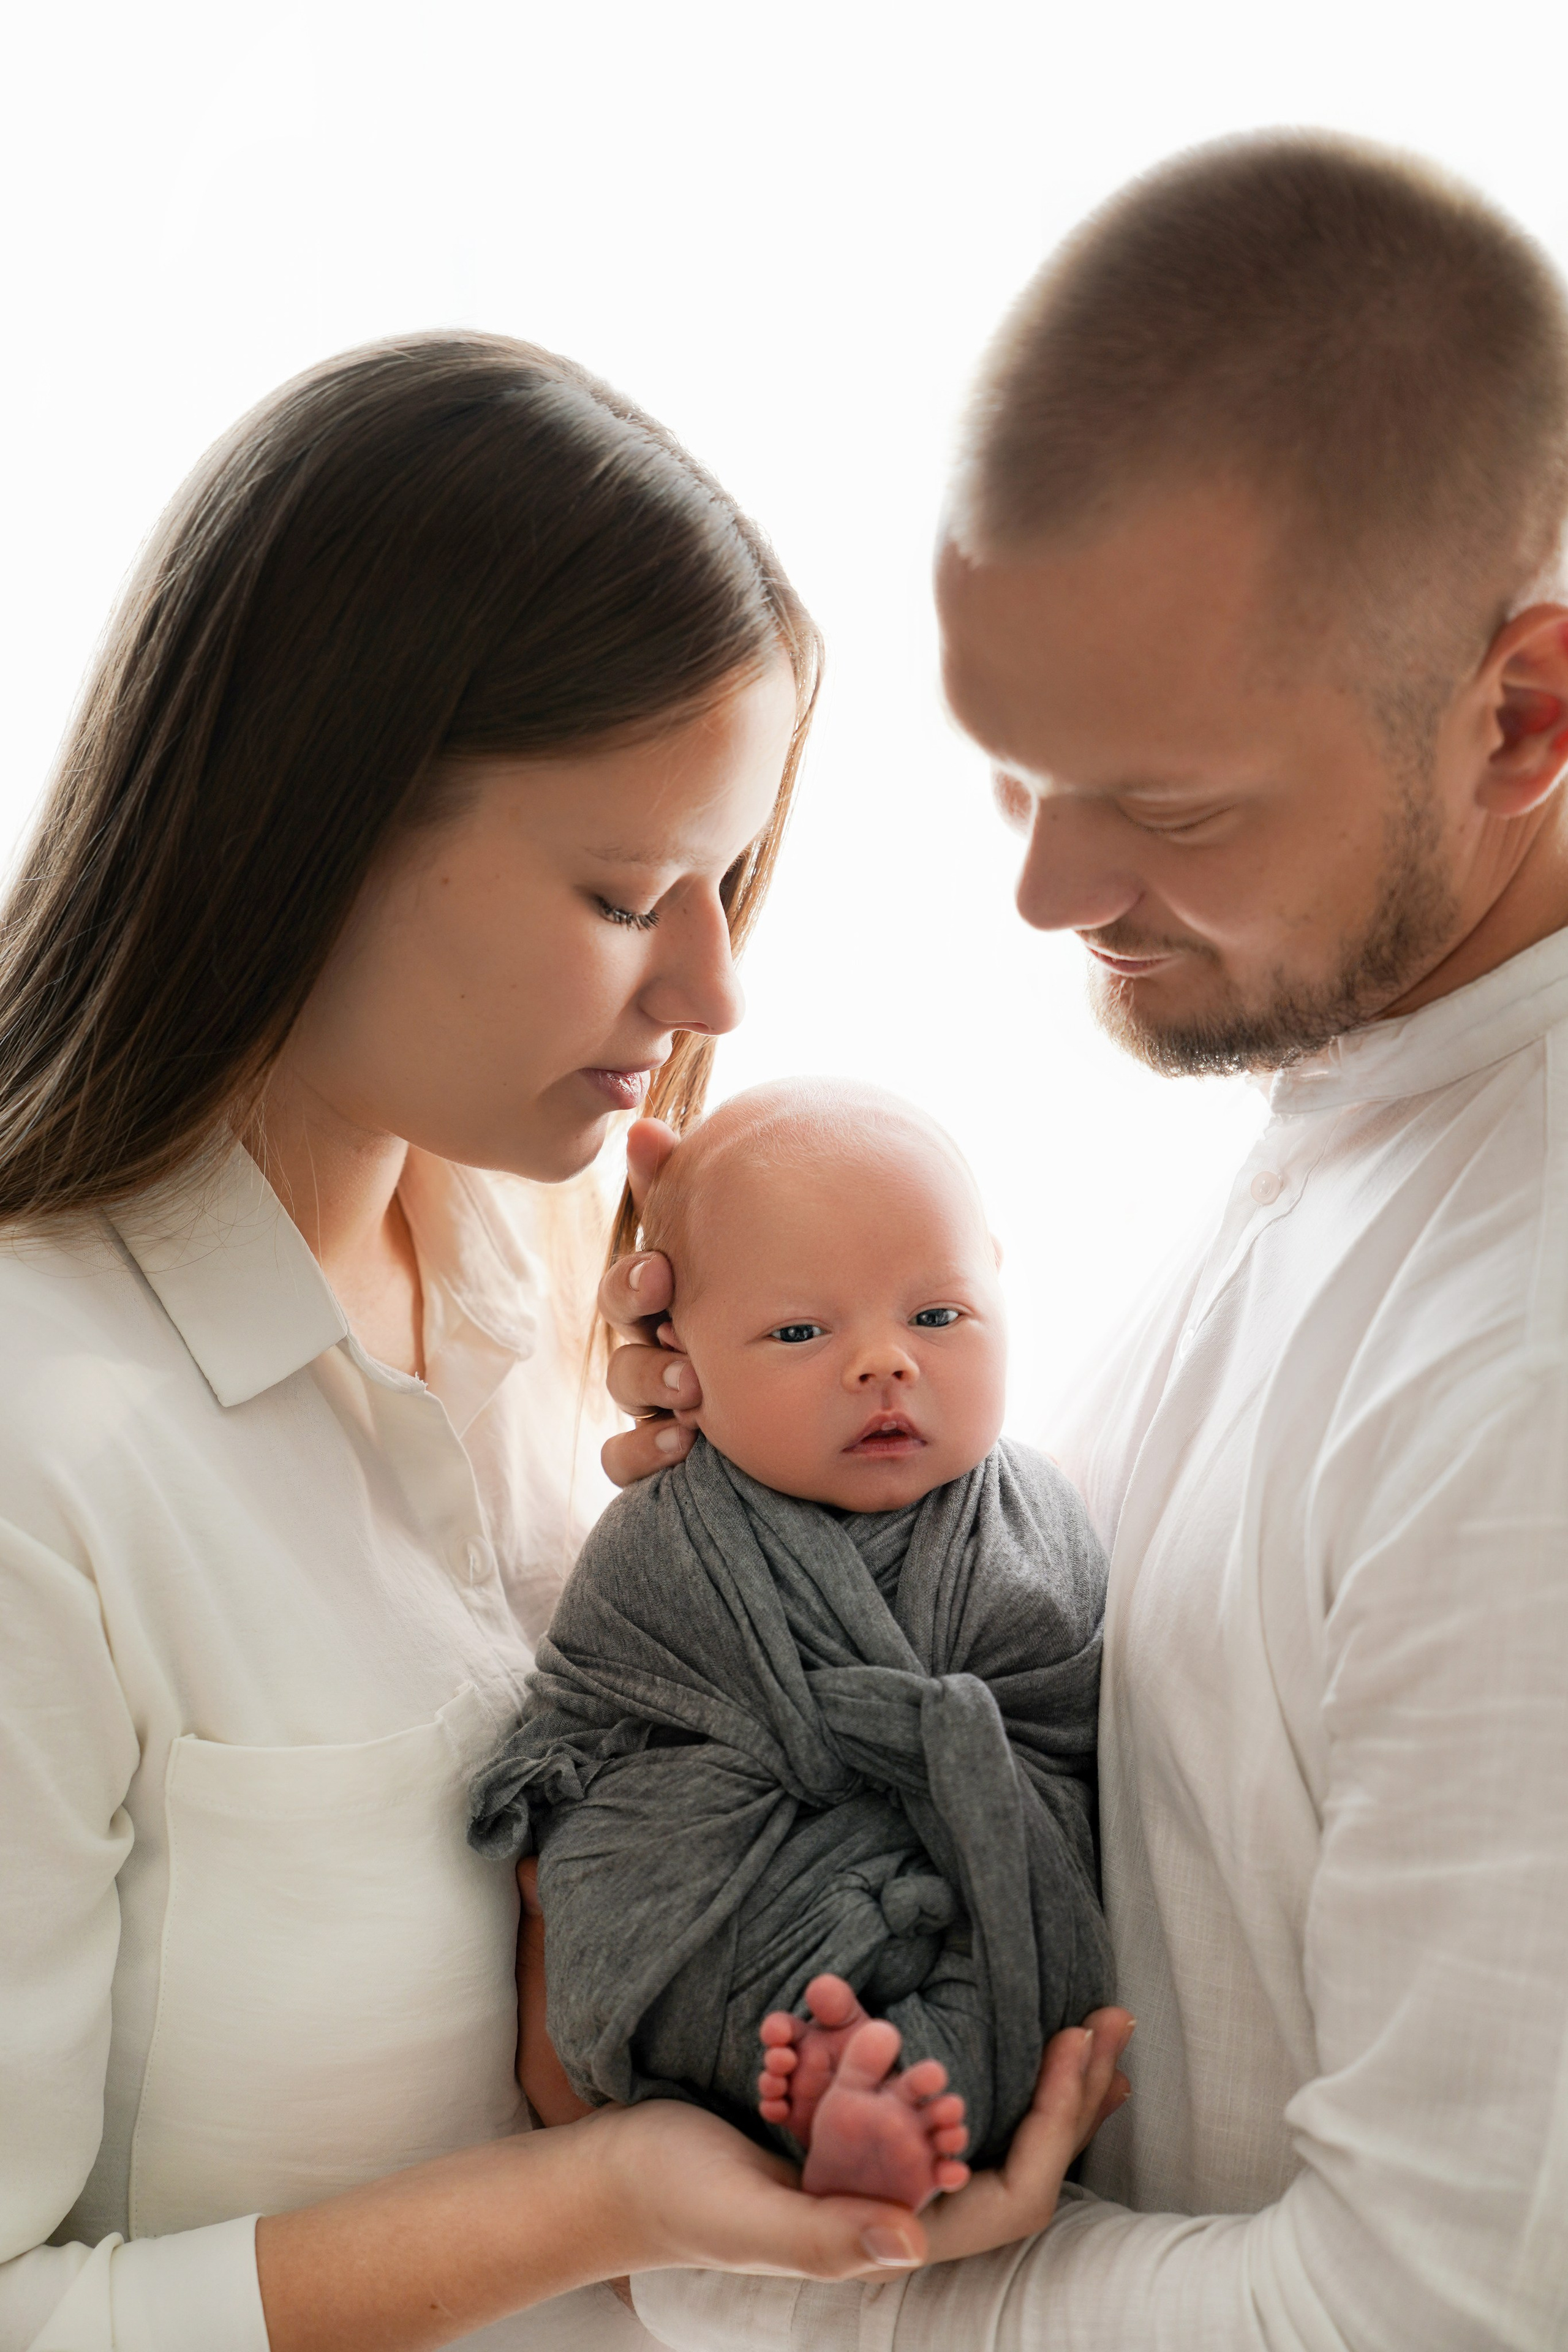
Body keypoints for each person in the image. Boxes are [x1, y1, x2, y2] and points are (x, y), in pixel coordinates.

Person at [0, 333, 1130, 2352]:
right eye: (628, 892)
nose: (709, 977)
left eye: (732, 880)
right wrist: (599, 2197)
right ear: (311, 819)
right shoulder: (48, 1445)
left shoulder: (590, 1311)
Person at [602, 134, 1568, 2349]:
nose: (1047, 894)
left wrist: (730, 2280)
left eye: (1176, 802)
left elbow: (1429, 2316)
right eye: (1012, 768)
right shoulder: (1361, 1077)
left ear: (1526, 715)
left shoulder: (1527, 1362)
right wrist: (787, 1514)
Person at [468, 1079, 1114, 2207]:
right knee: (633, 1884)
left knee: (1014, 1933)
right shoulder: (664, 1531)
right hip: (733, 1870)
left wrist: (952, 1775)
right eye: (802, 1332)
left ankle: (883, 2099)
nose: (884, 1363)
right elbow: (586, 1711)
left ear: (1002, 1290)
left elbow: (1056, 1725)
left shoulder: (1036, 1517)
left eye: (937, 1316)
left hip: (956, 1853)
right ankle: (825, 2082)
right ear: (683, 1364)